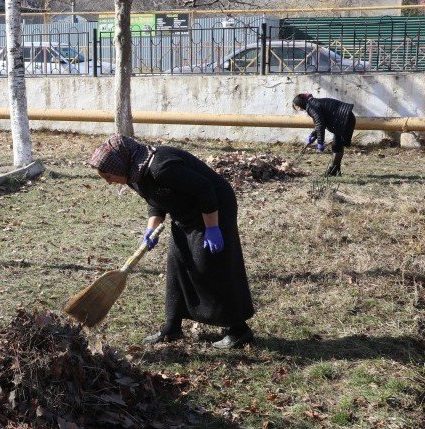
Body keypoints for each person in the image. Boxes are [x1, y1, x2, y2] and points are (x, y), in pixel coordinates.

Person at [89, 135, 255, 349]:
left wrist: (212, 228)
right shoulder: (134, 173)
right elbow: (154, 199)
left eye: (109, 176)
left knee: (210, 265)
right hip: (185, 212)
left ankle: (239, 330)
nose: (109, 181)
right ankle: (172, 326)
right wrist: (151, 228)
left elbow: (205, 189)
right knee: (178, 262)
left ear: (120, 166)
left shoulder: (162, 167)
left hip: (214, 207)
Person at [293, 93, 355, 177]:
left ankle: (333, 170)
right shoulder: (312, 104)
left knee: (337, 145)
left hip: (345, 118)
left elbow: (320, 124)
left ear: (299, 104)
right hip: (345, 117)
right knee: (337, 145)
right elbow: (320, 122)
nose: (299, 109)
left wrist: (320, 142)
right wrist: (313, 135)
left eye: (297, 107)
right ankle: (335, 170)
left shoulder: (311, 106)